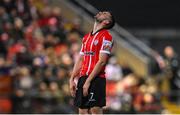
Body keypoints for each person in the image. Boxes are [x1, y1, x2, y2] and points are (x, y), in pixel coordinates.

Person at [69, 11, 115, 114]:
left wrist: (89, 81)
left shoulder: (107, 37)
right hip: (83, 77)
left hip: (96, 78)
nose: (101, 12)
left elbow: (102, 62)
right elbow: (80, 59)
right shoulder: (86, 38)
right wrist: (72, 78)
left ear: (106, 21)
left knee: (95, 110)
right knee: (82, 111)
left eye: (105, 13)